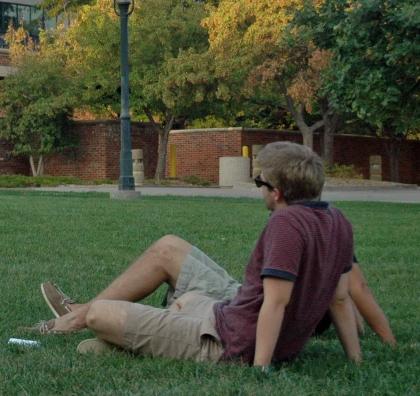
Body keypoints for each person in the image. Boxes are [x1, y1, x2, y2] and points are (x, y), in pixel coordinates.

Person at [25, 142, 361, 367]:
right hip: (228, 317)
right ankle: (125, 341)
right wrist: (355, 362)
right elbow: (341, 299)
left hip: (226, 342)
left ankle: (75, 322)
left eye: (260, 181)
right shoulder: (338, 220)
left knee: (98, 314)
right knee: (186, 300)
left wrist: (258, 371)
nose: (259, 188)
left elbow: (276, 303)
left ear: (277, 192)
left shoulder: (286, 222)